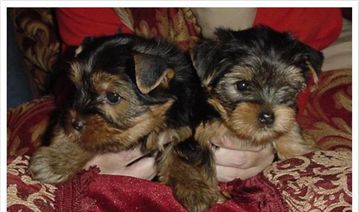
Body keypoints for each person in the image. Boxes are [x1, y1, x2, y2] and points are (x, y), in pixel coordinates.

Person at [55, 7, 342, 182]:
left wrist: (280, 135)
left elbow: (293, 49)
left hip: (321, 48)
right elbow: (89, 67)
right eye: (242, 87)